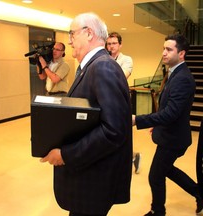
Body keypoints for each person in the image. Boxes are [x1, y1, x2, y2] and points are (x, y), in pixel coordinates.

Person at [40, 12, 133, 216]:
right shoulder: (91, 67)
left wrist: (66, 154)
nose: (70, 40)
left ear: (89, 33)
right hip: (90, 178)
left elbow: (114, 131)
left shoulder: (103, 68)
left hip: (94, 181)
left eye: (72, 34)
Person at [132, 34, 203, 216]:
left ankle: (158, 211)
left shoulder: (182, 79)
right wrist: (158, 124)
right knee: (166, 170)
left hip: (174, 139)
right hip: (170, 134)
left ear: (182, 54)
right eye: (163, 48)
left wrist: (137, 120)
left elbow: (171, 113)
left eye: (169, 49)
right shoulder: (174, 74)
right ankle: (199, 193)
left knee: (155, 176)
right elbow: (168, 108)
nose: (163, 53)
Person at [106, 31, 141, 174]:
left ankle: (133, 157)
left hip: (120, 102)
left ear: (120, 45)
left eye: (114, 43)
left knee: (121, 134)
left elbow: (121, 76)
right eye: (109, 43)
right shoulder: (103, 58)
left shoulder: (127, 59)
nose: (111, 46)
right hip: (105, 100)